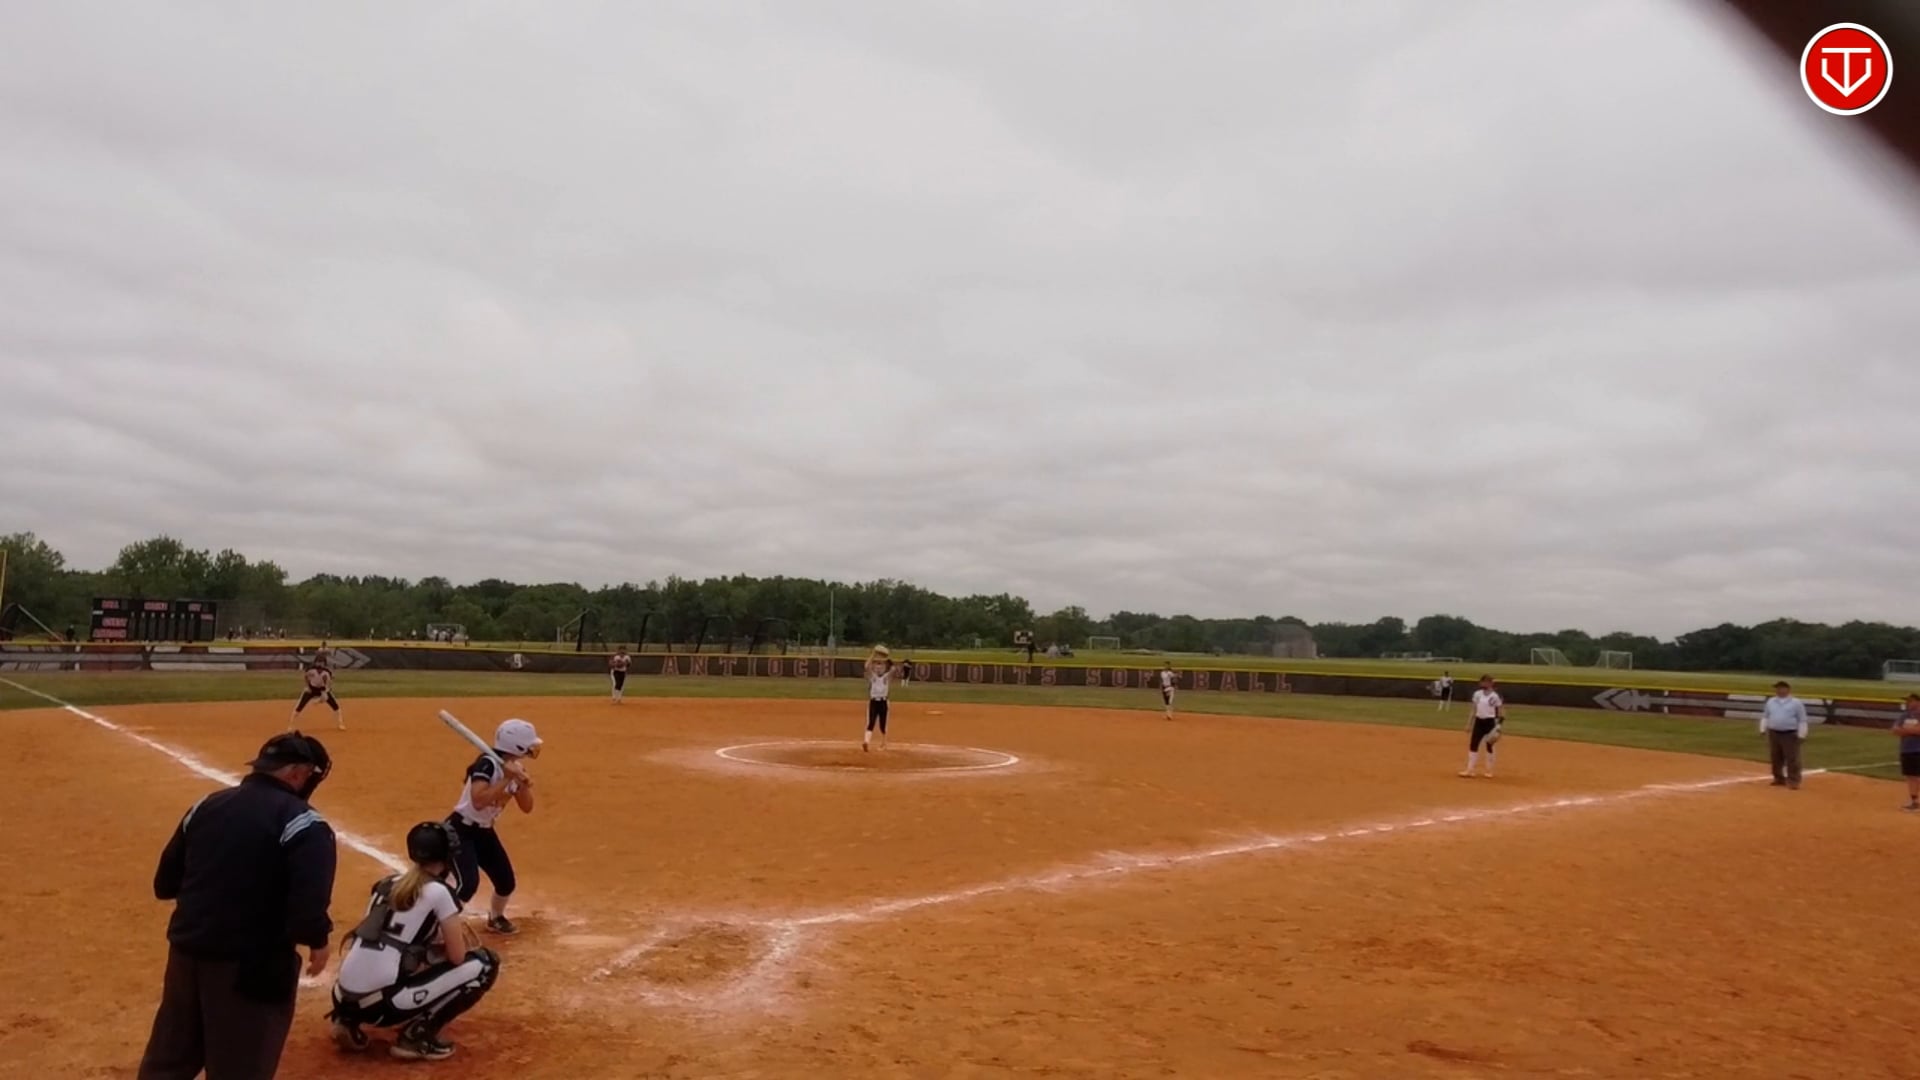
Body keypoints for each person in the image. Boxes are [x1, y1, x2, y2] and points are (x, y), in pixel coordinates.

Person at [137, 732, 338, 1080]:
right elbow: (306, 912)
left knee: (167, 1064)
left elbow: (165, 884)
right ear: (297, 772)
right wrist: (318, 940)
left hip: (186, 955)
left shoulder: (206, 806)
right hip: (252, 968)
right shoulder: (303, 822)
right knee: (242, 1068)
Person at [328, 821, 502, 1062]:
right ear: (448, 856)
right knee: (485, 964)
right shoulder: (440, 892)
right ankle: (416, 1037)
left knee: (390, 955)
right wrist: (439, 951)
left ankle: (347, 1021)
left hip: (341, 997)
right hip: (383, 1007)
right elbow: (457, 957)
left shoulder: (385, 884)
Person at [447, 719, 542, 934]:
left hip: (484, 831)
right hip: (460, 830)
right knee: (467, 885)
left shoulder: (515, 768)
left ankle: (496, 917)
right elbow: (478, 801)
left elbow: (527, 807)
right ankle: (434, 926)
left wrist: (523, 785)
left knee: (506, 881)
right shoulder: (487, 764)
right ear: (517, 745)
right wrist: (506, 780)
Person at [1759, 680, 1810, 789]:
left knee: (1792, 758)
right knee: (1776, 757)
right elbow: (1766, 716)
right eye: (1777, 688)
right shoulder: (1771, 701)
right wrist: (1762, 728)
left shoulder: (1796, 703)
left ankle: (1793, 780)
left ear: (1787, 689)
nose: (1779, 690)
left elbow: (1802, 720)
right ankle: (1778, 778)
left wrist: (1802, 734)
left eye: (1781, 688)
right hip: (1774, 732)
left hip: (1789, 733)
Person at [1460, 675, 1504, 778]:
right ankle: (1469, 770)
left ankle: (1489, 771)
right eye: (1481, 682)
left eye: (1483, 682)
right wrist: (1469, 724)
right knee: (1473, 744)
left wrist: (1499, 725)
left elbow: (1500, 710)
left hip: (1490, 722)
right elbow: (1474, 709)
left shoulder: (1494, 696)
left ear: (1489, 683)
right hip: (1479, 721)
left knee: (1489, 745)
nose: (1481, 684)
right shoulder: (1477, 694)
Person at [291, 655, 344, 731]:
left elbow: (329, 682)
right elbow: (306, 677)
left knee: (335, 706)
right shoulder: (310, 670)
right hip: (312, 689)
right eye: (318, 662)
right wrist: (307, 687)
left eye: (321, 662)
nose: (320, 664)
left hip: (322, 689)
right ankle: (291, 725)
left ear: (324, 663)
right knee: (300, 706)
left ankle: (340, 724)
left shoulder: (327, 672)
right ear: (315, 662)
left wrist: (327, 689)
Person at [1891, 693, 1920, 810]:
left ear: (1917, 702)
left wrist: (1904, 730)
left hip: (1918, 749)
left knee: (1916, 776)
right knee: (1911, 776)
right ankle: (1914, 801)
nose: (1907, 703)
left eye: (1910, 701)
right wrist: (1912, 730)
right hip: (1906, 749)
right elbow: (1894, 730)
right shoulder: (1904, 715)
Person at [863, 646, 895, 751]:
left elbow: (893, 669)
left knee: (883, 724)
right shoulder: (873, 677)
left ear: (884, 668)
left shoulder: (886, 677)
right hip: (874, 702)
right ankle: (866, 742)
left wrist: (887, 657)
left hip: (883, 702)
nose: (879, 669)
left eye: (881, 667)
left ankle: (883, 744)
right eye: (877, 667)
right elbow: (867, 666)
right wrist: (873, 654)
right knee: (871, 722)